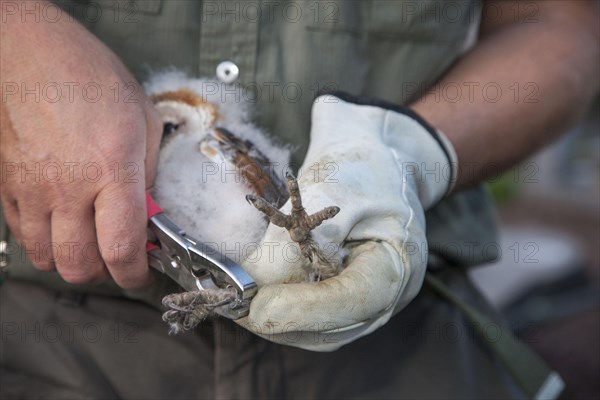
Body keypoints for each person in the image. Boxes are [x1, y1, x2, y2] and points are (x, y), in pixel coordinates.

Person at [1, 0, 598, 398]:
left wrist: (405, 153)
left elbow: (558, 24)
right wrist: (16, 38)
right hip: (40, 331)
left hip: (396, 334)